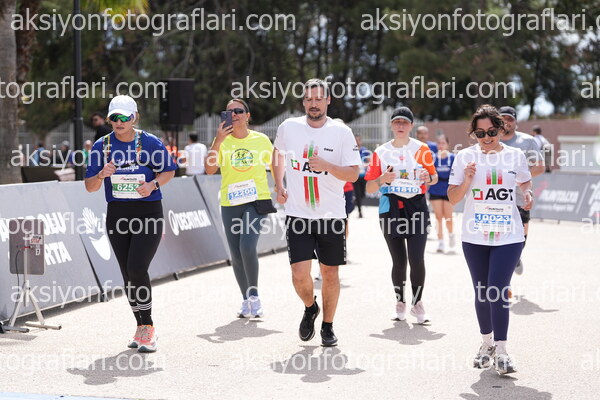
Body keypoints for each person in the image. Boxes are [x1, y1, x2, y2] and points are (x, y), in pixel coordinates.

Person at [84, 95, 177, 352]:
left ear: (134, 117)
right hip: (117, 214)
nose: (119, 122)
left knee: (137, 268)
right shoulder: (102, 146)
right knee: (127, 273)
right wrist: (101, 174)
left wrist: (152, 184)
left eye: (124, 117)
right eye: (114, 117)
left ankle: (148, 327)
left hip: (148, 213)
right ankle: (140, 326)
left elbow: (169, 170)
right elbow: (90, 187)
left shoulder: (149, 142)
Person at [273, 78, 361, 347]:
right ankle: (311, 307)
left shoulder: (341, 132)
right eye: (309, 99)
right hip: (298, 214)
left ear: (328, 101)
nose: (314, 104)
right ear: (303, 102)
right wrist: (279, 184)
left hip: (331, 215)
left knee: (330, 274)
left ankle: (328, 326)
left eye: (318, 99)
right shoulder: (289, 127)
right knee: (299, 275)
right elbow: (277, 155)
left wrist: (327, 165)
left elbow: (353, 173)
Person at [448, 104, 533, 375]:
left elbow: (525, 182)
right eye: (480, 133)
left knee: (497, 289)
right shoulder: (465, 158)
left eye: (491, 132)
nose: (486, 137)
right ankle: (486, 343)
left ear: (501, 129)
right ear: (473, 134)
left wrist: (527, 194)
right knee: (482, 291)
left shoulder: (515, 155)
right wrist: (467, 180)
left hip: (509, 235)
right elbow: (453, 197)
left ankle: (503, 351)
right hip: (475, 235)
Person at [364, 106, 438, 324]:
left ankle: (417, 302)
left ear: (411, 126)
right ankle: (400, 302)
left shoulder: (422, 149)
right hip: (391, 208)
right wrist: (382, 179)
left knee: (417, 258)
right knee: (399, 261)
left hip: (416, 207)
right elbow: (369, 187)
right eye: (397, 122)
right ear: (391, 125)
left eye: (404, 122)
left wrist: (427, 177)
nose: (400, 126)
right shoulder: (380, 151)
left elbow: (433, 178)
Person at [205, 98, 273, 318]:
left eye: (238, 111)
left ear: (247, 115)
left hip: (257, 200)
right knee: (235, 254)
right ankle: (246, 300)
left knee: (247, 247)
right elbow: (209, 169)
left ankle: (254, 296)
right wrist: (218, 141)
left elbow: (275, 164)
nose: (234, 114)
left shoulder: (261, 140)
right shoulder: (221, 141)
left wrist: (281, 187)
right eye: (229, 112)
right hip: (230, 201)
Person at [498, 106, 544, 275]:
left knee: (521, 237)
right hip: (496, 199)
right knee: (499, 238)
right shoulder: (491, 140)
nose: (506, 122)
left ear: (516, 122)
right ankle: (503, 273)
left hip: (520, 198)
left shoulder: (527, 141)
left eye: (510, 119)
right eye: (503, 118)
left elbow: (540, 167)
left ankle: (516, 257)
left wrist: (518, 177)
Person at [428, 134, 456, 253]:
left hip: (448, 190)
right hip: (435, 189)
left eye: (443, 143)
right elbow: (429, 174)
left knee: (448, 217)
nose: (440, 146)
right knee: (438, 217)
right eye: (439, 143)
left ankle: (451, 234)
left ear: (447, 145)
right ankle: (440, 242)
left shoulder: (452, 158)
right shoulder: (433, 158)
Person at [353, 134, 370, 218]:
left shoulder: (364, 150)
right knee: (358, 194)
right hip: (355, 176)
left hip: (363, 176)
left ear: (361, 141)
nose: (357, 142)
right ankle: (360, 212)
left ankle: (356, 200)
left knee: (363, 194)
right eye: (355, 140)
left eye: (358, 140)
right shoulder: (352, 150)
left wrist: (365, 164)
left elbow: (369, 161)